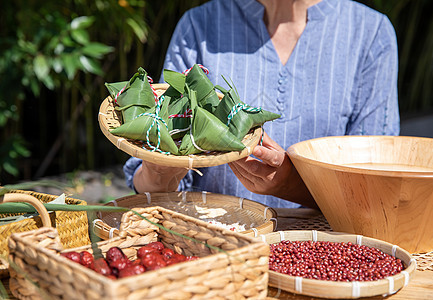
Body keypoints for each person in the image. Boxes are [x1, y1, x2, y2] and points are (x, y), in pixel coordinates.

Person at [124, 0, 399, 209]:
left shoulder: (370, 33)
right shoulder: (200, 26)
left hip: (322, 254)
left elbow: (376, 193)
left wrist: (293, 186)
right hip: (213, 248)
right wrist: (159, 171)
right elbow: (151, 189)